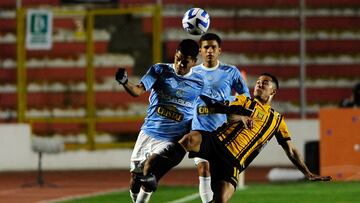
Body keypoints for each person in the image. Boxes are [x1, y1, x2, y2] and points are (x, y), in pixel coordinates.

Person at [153, 73, 332, 203]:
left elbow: (291, 150)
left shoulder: (277, 120)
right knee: (190, 139)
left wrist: (307, 172)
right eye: (259, 82)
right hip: (217, 142)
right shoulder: (244, 102)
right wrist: (242, 118)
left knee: (221, 198)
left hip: (233, 162)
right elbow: (228, 115)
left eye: (265, 83)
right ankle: (153, 173)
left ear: (274, 91)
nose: (259, 85)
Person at [115, 39, 205, 203]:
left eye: (185, 62)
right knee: (135, 179)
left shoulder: (201, 82)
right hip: (148, 132)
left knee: (151, 166)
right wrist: (124, 82)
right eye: (178, 59)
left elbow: (211, 105)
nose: (180, 64)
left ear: (194, 62)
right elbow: (137, 91)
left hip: (173, 137)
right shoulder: (159, 70)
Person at [190, 33, 250, 203]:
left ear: (219, 50)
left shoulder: (230, 71)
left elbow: (245, 96)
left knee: (220, 184)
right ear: (200, 51)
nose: (209, 51)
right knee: (204, 169)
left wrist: (228, 101)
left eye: (213, 47)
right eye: (206, 47)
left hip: (223, 133)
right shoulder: (192, 73)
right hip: (200, 129)